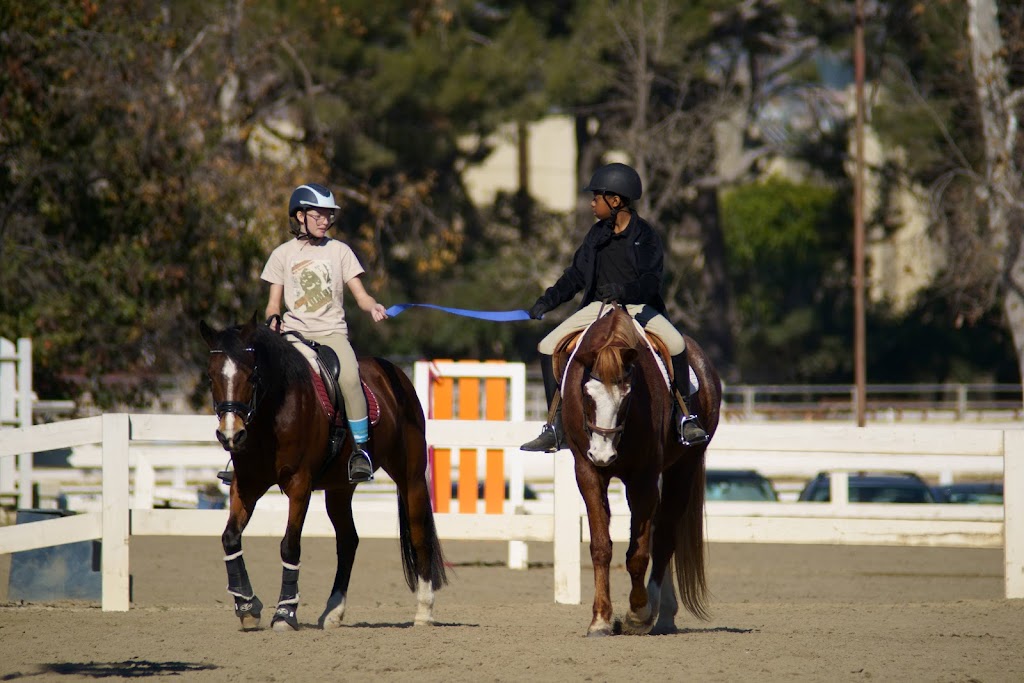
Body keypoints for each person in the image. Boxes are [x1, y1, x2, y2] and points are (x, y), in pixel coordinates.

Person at [519, 162, 709, 452]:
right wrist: (547, 300)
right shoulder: (596, 235)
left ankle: (685, 417)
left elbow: (651, 281)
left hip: (637, 309)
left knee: (675, 343)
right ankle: (555, 427)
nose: (592, 202)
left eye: (597, 197)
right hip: (598, 309)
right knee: (547, 346)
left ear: (616, 200)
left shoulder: (646, 237)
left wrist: (623, 290)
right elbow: (576, 276)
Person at [261, 183, 388, 483]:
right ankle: (245, 454)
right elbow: (272, 305)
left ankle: (360, 451)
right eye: (318, 214)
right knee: (262, 377)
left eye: (328, 215)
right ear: (300, 216)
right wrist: (273, 319)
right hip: (294, 336)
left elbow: (361, 296)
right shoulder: (282, 255)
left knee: (349, 378)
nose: (324, 221)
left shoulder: (340, 251)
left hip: (331, 333)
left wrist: (372, 306)